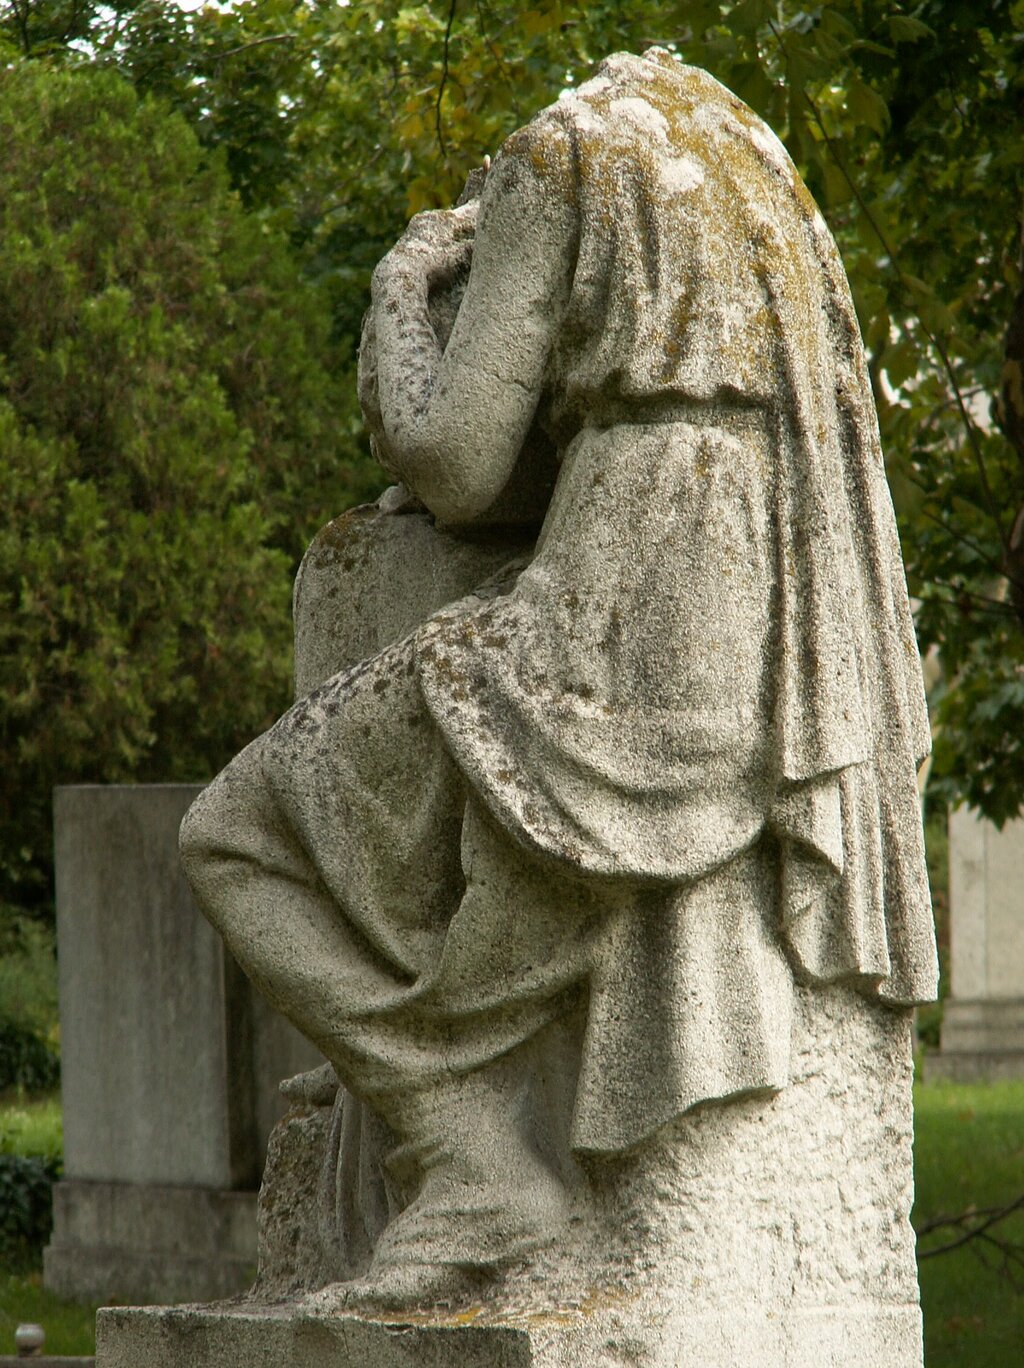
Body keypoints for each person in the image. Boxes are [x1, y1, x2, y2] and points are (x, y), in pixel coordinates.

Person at [180, 49, 937, 1311]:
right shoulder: (748, 168)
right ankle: (466, 1115)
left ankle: (466, 1151)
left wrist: (402, 291)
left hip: (615, 637)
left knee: (233, 835)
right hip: (781, 650)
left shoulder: (550, 158)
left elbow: (456, 464)